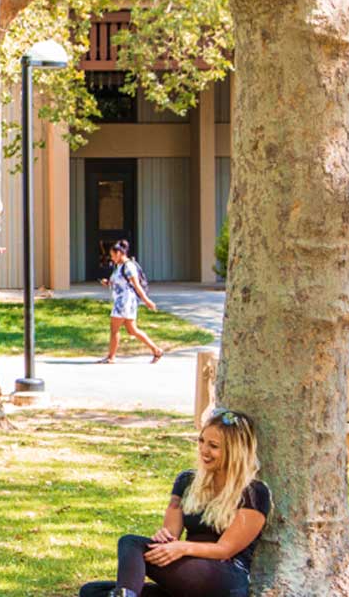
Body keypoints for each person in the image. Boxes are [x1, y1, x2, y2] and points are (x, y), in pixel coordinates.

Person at [79, 408, 271, 597]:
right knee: (93, 591)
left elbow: (224, 550)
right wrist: (165, 538)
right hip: (188, 572)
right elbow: (171, 534)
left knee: (131, 543)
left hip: (225, 579)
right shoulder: (186, 481)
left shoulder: (254, 493)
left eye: (213, 446)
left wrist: (183, 547)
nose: (204, 450)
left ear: (234, 451)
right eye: (201, 441)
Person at [97, 239, 163, 364]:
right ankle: (156, 350)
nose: (111, 258)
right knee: (132, 330)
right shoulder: (119, 266)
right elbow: (119, 281)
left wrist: (147, 301)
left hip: (124, 302)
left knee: (114, 329)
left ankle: (111, 357)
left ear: (119, 253)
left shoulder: (129, 266)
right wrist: (108, 283)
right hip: (122, 300)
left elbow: (137, 286)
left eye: (112, 255)